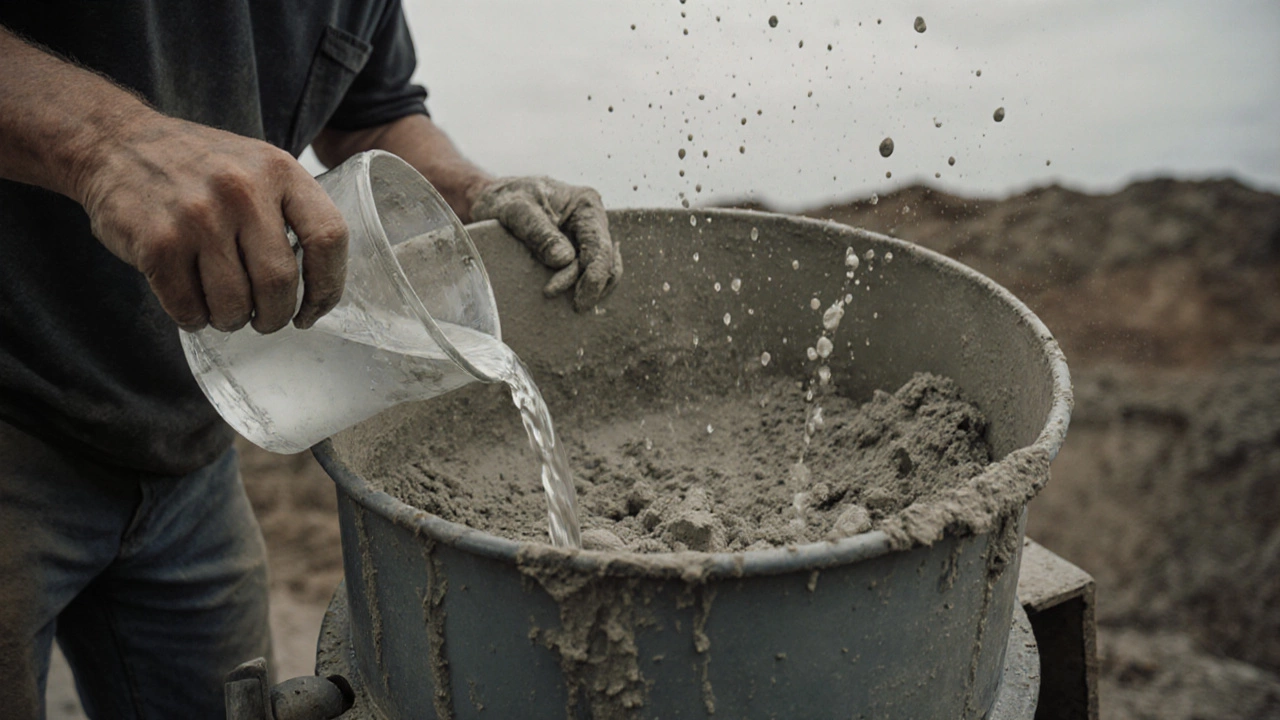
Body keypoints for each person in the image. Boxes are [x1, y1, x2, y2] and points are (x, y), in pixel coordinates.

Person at [0, 3, 622, 717]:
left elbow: (376, 113)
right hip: (15, 402)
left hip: (190, 447)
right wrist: (108, 143)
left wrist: (479, 190)